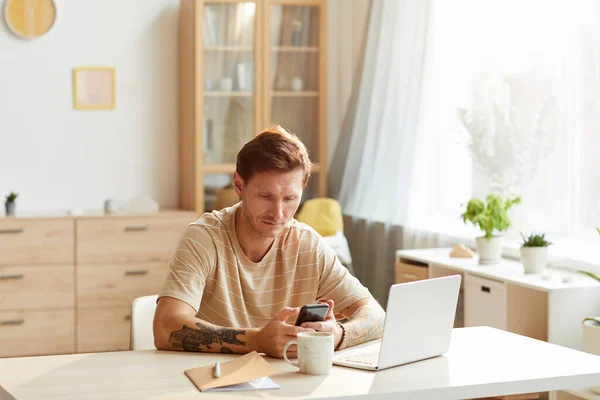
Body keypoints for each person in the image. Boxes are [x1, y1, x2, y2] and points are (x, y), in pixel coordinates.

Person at [153, 126, 385, 358]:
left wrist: (339, 333)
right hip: (212, 382)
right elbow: (165, 327)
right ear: (239, 186)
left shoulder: (308, 244)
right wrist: (255, 340)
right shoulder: (204, 238)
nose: (278, 214)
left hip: (284, 383)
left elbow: (376, 315)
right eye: (265, 197)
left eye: (290, 199)